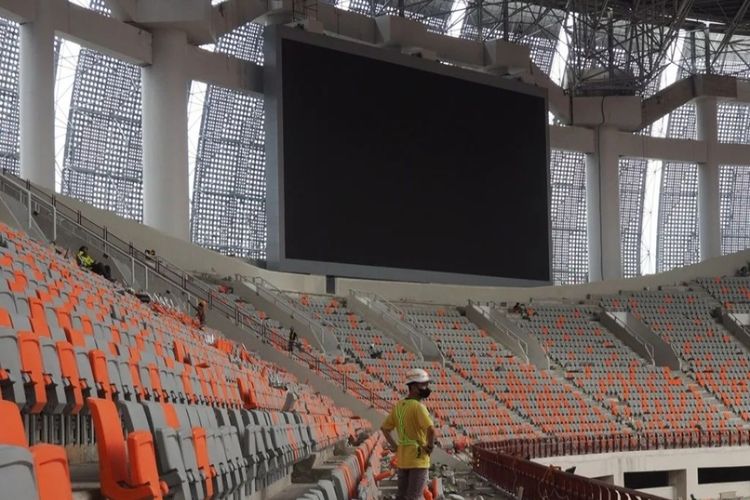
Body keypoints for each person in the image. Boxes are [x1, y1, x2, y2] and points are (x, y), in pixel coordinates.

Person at [381, 368, 436, 500]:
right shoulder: (418, 407)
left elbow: (385, 429)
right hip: (418, 460)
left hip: (403, 459)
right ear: (413, 386)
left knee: (401, 496)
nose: (426, 387)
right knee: (414, 496)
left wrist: (395, 446)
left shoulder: (399, 406)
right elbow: (432, 430)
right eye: (423, 384)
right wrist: (430, 446)